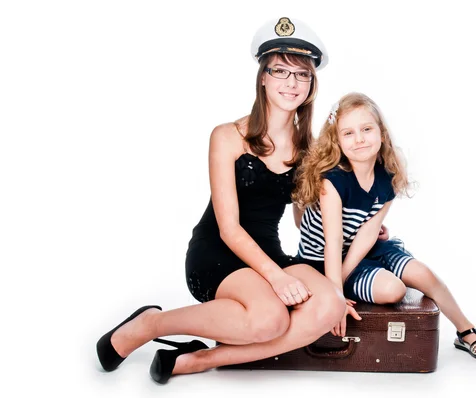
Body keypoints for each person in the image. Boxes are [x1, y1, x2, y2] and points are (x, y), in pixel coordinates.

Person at [96, 17, 346, 384]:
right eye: (281, 71)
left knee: (330, 304)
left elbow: (301, 218)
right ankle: (149, 323)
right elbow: (228, 228)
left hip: (269, 252)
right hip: (217, 252)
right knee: (270, 319)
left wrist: (359, 223)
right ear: (263, 76)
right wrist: (276, 278)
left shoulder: (309, 150)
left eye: (302, 74)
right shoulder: (227, 136)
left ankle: (200, 360)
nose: (291, 83)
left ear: (311, 85)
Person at [292, 92, 476, 361]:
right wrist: (336, 295)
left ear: (382, 133)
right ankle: (371, 279)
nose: (360, 139)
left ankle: (466, 331)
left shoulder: (387, 176)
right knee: (393, 290)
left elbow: (367, 232)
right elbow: (332, 244)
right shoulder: (333, 182)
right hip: (324, 260)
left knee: (425, 275)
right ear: (337, 140)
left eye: (367, 129)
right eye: (349, 133)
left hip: (361, 248)